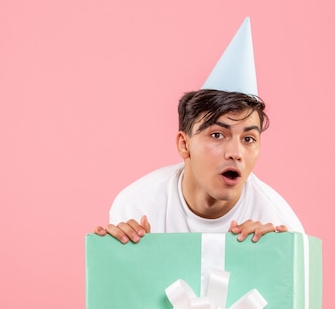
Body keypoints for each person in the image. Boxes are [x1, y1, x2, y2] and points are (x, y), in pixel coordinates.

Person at [94, 88, 304, 244]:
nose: (236, 153)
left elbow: (299, 300)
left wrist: (277, 259)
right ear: (184, 144)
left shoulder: (276, 222)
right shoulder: (137, 206)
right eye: (217, 135)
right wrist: (122, 258)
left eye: (248, 139)